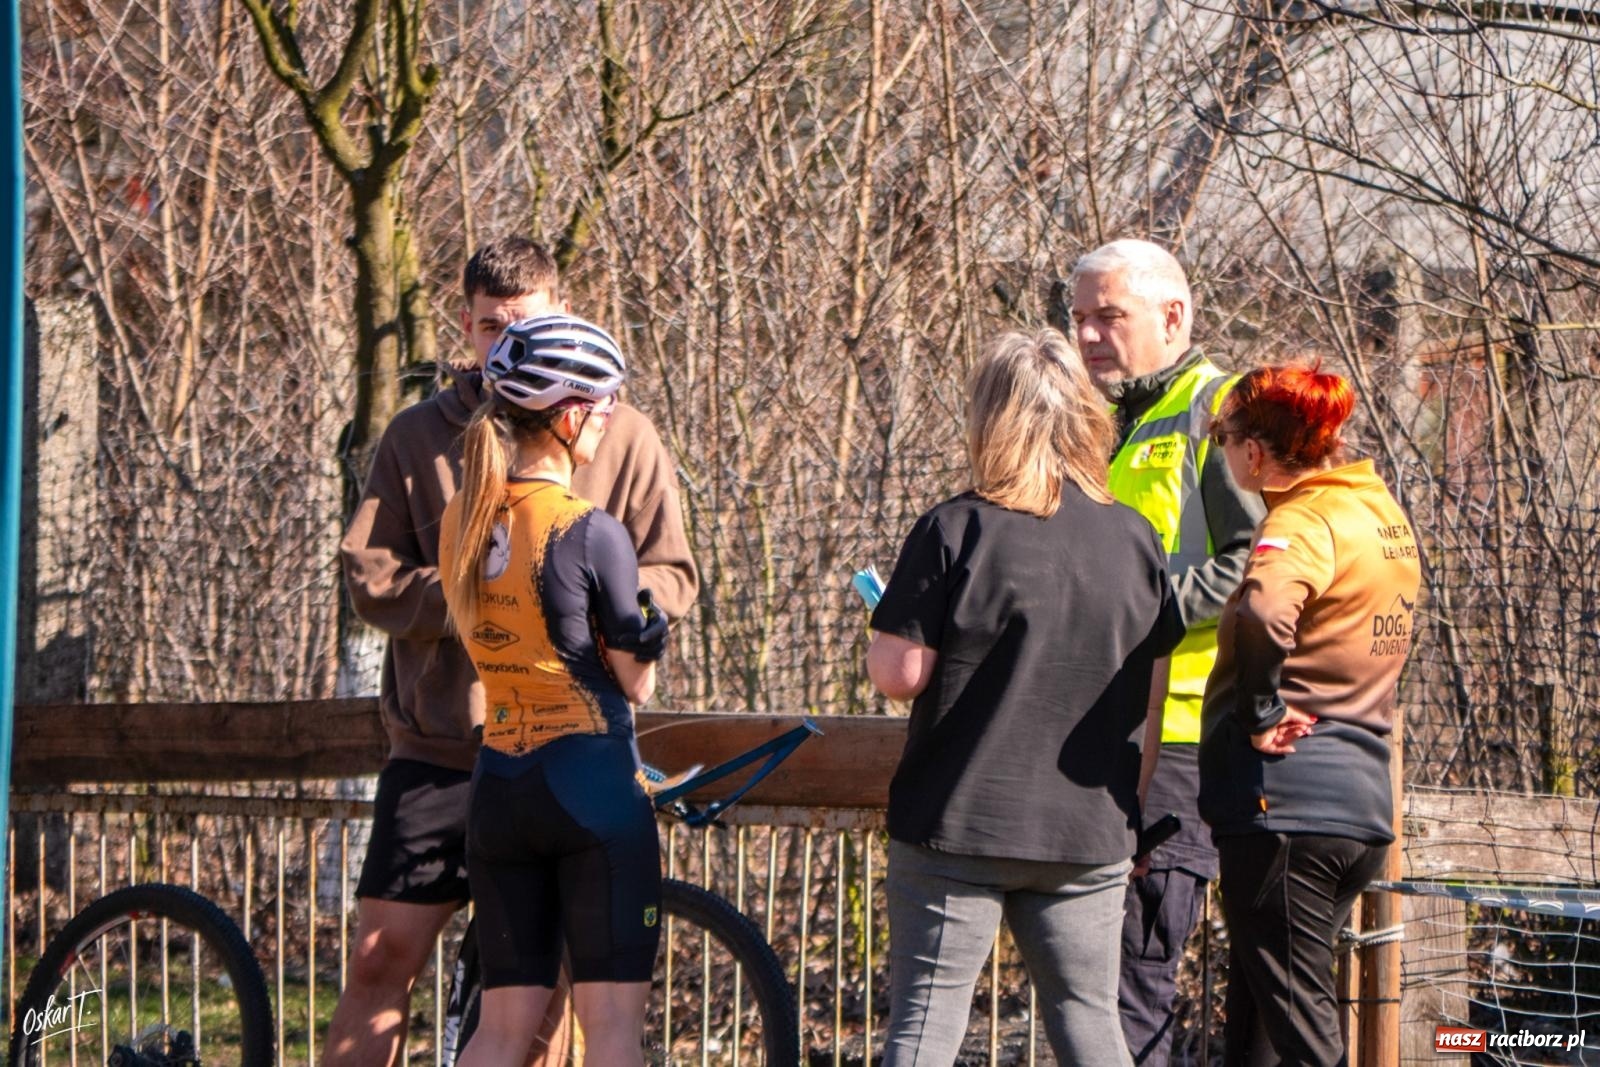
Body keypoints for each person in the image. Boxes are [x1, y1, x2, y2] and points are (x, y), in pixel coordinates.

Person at [332, 237, 696, 1067]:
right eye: (493, 326)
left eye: (527, 324)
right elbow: (369, 575)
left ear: (563, 314)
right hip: (440, 745)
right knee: (380, 957)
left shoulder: (621, 431)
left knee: (542, 1005)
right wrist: (487, 595)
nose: (509, 343)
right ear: (465, 325)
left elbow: (672, 572)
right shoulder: (418, 434)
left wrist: (594, 607)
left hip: (568, 748)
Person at [866, 330, 1184, 1066]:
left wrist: (890, 623)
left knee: (925, 1026)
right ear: (1085, 416)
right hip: (1088, 831)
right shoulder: (1136, 538)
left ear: (989, 418)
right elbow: (1153, 698)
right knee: (1089, 1021)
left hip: (957, 823)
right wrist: (1130, 818)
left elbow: (899, 675)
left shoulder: (954, 528)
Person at [439, 313, 665, 1067]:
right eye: (604, 404)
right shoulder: (591, 530)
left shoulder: (462, 519)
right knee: (612, 1032)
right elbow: (635, 682)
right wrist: (646, 636)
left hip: (500, 786)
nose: (609, 418)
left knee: (499, 1033)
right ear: (568, 417)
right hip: (590, 785)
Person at [1061, 238, 1265, 1065]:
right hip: (1100, 729)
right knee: (1093, 978)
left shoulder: (1217, 408)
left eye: (1108, 315)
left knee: (1133, 978)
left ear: (1173, 316)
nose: (1087, 336)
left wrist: (1142, 617)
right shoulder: (1104, 420)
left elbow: (1257, 560)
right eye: (1078, 318)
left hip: (1180, 740)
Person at [1198, 364, 1420, 1065]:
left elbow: (1265, 610)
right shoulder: (1378, 514)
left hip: (1286, 810)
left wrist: (1260, 711)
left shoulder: (1301, 517)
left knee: (1305, 1038)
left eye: (1222, 439)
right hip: (1359, 803)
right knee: (1261, 1022)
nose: (1223, 455)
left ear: (1253, 451)